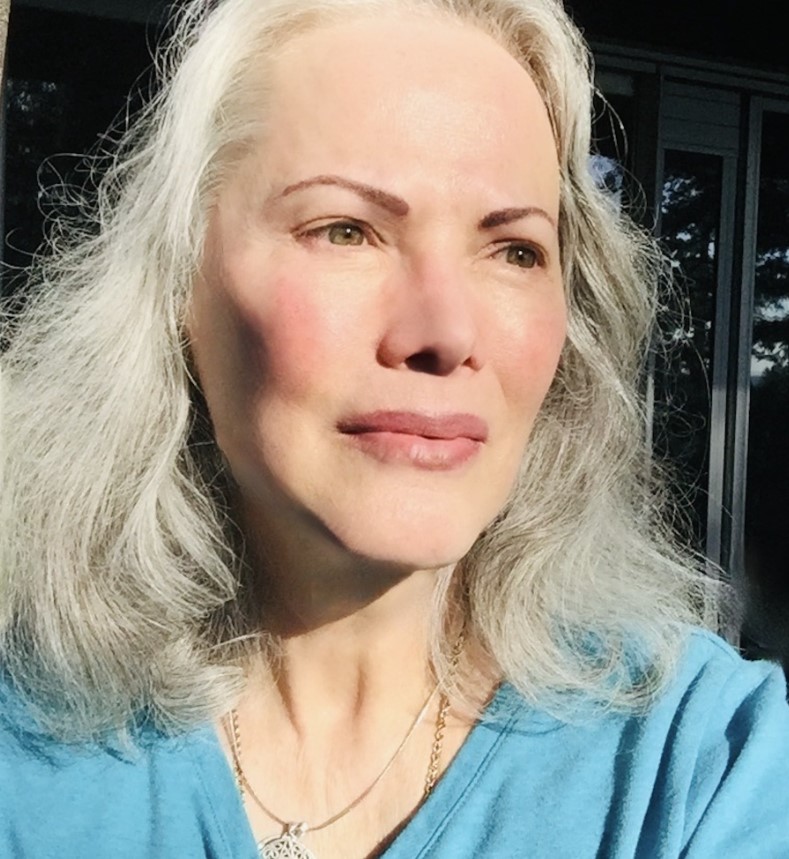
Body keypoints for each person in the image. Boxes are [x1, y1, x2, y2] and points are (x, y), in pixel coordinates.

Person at [1, 0, 788, 856]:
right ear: (179, 288)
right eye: (345, 230)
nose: (444, 331)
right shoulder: (29, 752)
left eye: (514, 249)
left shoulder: (703, 767)